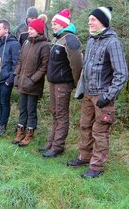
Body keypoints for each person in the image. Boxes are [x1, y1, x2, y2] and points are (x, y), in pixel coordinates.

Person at [67, 7, 128, 178]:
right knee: (85, 126)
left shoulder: (113, 42)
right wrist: (81, 89)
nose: (89, 22)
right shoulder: (92, 40)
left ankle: (96, 166)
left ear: (103, 22)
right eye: (89, 19)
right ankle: (84, 157)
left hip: (103, 97)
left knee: (100, 131)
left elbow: (121, 73)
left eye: (93, 19)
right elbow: (87, 68)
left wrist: (108, 96)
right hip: (88, 93)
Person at [40, 9, 83, 158]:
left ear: (63, 24)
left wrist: (76, 84)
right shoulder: (58, 38)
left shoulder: (70, 40)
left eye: (55, 23)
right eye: (52, 23)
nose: (52, 25)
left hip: (63, 84)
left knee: (61, 114)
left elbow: (77, 64)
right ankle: (51, 142)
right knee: (55, 113)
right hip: (54, 82)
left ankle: (58, 146)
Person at [12, 15, 50, 146]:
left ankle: (29, 133)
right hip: (22, 83)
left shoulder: (44, 45)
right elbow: (20, 61)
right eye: (29, 28)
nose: (29, 30)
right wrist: (16, 75)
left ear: (39, 30)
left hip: (33, 86)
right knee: (22, 108)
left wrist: (33, 80)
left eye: (32, 29)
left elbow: (44, 67)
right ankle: (20, 131)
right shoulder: (26, 43)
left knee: (30, 110)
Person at [0, 19, 21, 139]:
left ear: (6, 30)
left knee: (4, 103)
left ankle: (2, 126)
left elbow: (16, 64)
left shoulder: (14, 44)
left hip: (5, 80)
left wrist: (9, 80)